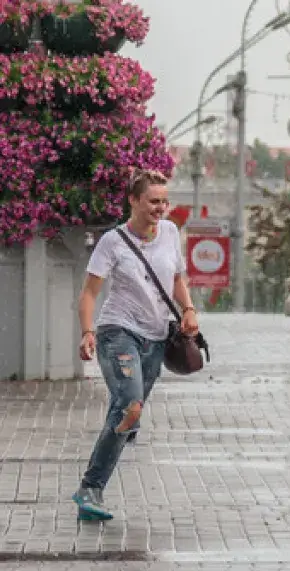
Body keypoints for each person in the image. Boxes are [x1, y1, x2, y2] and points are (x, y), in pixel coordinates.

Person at [72, 169, 200, 521]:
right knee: (129, 406)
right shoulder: (112, 242)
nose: (161, 208)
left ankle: (127, 422)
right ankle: (90, 488)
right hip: (118, 331)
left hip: (157, 338)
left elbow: (176, 278)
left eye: (164, 201)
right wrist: (87, 332)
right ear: (133, 200)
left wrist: (188, 308)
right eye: (153, 201)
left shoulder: (171, 232)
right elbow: (89, 293)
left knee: (128, 411)